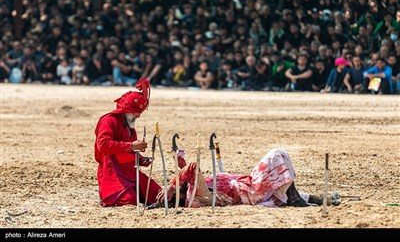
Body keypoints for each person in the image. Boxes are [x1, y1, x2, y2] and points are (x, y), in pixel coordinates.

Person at [151, 148, 340, 209]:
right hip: (251, 191)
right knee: (276, 154)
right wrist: (171, 184)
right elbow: (193, 167)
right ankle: (295, 197)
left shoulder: (192, 187)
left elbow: (188, 172)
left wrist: (178, 161)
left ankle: (328, 200)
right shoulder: (194, 196)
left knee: (296, 193)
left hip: (249, 185)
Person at [94, 78, 161, 207]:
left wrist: (141, 159)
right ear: (128, 110)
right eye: (137, 112)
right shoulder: (109, 121)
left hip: (130, 170)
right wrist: (132, 145)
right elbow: (103, 145)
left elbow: (129, 152)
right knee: (129, 200)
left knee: (158, 194)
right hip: (112, 171)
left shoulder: (130, 126)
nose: (139, 116)